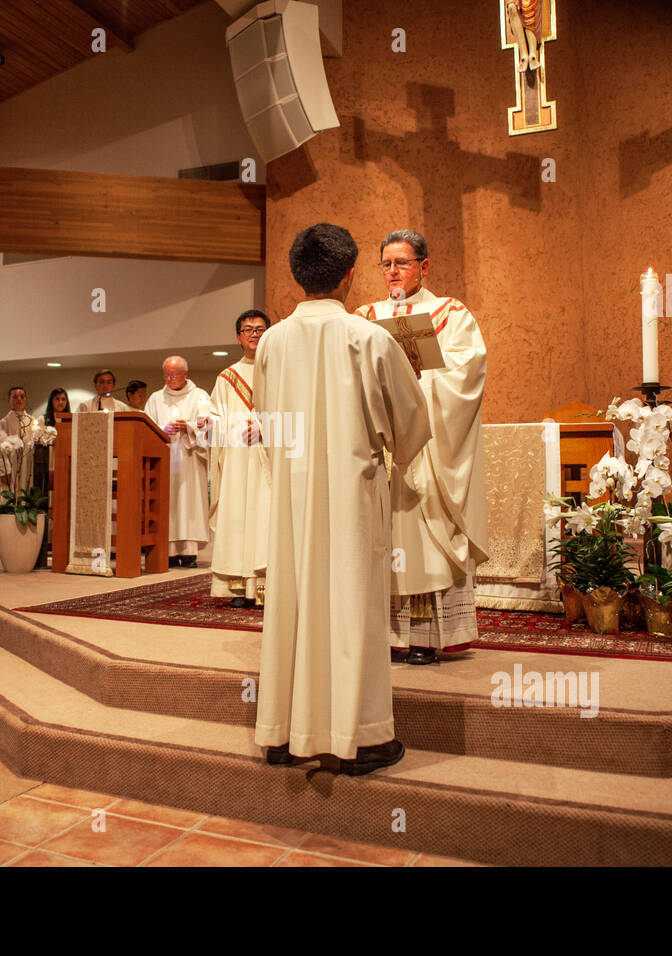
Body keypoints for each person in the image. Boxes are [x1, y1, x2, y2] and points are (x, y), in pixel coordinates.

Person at [254, 223, 430, 775]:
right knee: (352, 605)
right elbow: (411, 427)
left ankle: (283, 732)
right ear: (351, 274)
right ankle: (361, 738)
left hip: (290, 493)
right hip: (351, 495)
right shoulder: (370, 338)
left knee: (293, 604)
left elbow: (266, 424)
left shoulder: (272, 342)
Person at [355, 230, 489, 664]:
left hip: (427, 450)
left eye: (403, 263)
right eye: (386, 264)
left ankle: (427, 638)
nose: (393, 272)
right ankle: (385, 635)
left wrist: (411, 384)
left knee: (422, 537)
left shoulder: (451, 314)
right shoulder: (364, 316)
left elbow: (464, 377)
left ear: (425, 267)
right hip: (379, 448)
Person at [208, 309, 271, 608]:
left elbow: (300, 418)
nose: (255, 334)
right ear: (238, 337)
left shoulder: (280, 371)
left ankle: (265, 585)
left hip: (267, 461)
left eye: (260, 329)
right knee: (237, 518)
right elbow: (214, 418)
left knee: (265, 516)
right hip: (235, 460)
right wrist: (207, 425)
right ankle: (236, 585)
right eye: (248, 330)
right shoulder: (226, 377)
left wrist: (267, 428)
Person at [143, 356, 213, 567]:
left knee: (188, 503)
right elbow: (146, 427)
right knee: (167, 502)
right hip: (164, 459)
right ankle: (169, 551)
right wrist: (162, 430)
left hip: (190, 459)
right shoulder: (155, 399)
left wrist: (189, 427)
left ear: (185, 373)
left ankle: (189, 552)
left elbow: (209, 427)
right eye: (166, 374)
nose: (169, 378)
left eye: (174, 374)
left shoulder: (200, 396)